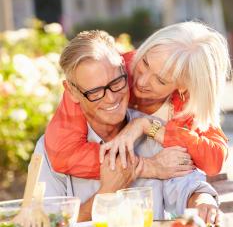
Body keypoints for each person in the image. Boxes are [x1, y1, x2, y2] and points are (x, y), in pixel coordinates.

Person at [35, 30, 218, 223]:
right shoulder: (50, 150)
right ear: (72, 92)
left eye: (116, 83)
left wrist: (202, 202)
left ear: (125, 70)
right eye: (96, 92)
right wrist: (109, 191)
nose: (111, 98)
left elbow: (189, 186)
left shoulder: (154, 131)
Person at [45, 21, 230, 180]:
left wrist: (147, 126)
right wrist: (145, 166)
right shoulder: (108, 73)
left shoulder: (187, 100)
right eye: (145, 63)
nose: (141, 81)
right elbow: (64, 154)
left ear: (183, 86)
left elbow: (214, 160)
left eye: (160, 80)